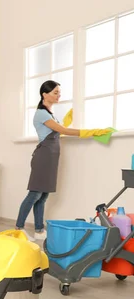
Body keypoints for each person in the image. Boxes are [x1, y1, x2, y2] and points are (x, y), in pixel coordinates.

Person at [15, 80, 114, 241]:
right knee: (34, 194)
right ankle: (19, 228)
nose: (58, 95)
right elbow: (62, 130)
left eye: (59, 92)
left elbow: (57, 131)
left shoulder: (49, 114)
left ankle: (39, 230)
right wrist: (92, 132)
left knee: (43, 196)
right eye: (55, 92)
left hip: (51, 158)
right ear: (44, 94)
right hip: (43, 157)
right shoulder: (41, 113)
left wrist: (64, 122)